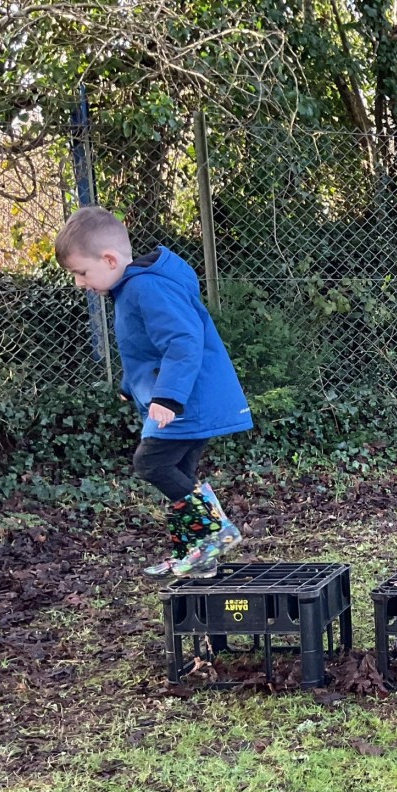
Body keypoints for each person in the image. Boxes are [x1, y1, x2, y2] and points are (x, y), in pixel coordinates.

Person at [54, 206, 250, 579]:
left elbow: (182, 341)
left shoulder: (147, 288)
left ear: (109, 259)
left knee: (151, 464)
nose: (80, 283)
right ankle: (196, 557)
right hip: (185, 399)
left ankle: (216, 531)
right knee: (180, 474)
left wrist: (167, 396)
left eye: (81, 273)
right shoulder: (133, 288)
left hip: (186, 402)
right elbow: (144, 348)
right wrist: (132, 387)